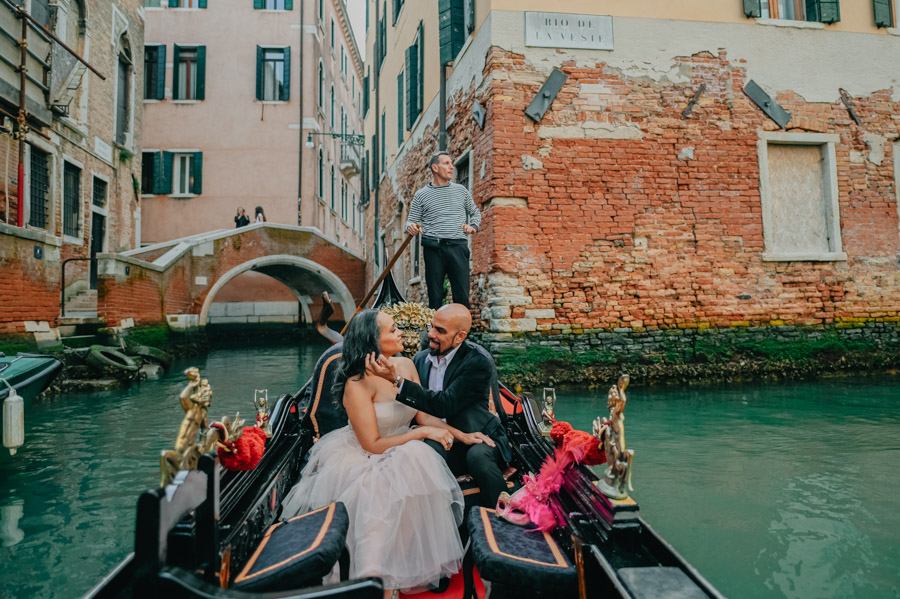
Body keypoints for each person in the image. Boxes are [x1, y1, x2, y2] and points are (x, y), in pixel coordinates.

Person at [281, 309, 492, 596]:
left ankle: (395, 577)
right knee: (377, 498)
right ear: (373, 341)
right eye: (393, 330)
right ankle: (374, 584)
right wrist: (421, 434)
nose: (401, 333)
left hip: (403, 448)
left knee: (415, 469)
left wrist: (462, 435)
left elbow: (423, 414)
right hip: (367, 454)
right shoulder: (356, 384)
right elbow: (373, 445)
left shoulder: (405, 365)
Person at [367, 303, 511, 509]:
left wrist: (397, 381)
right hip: (439, 434)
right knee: (424, 453)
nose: (431, 334)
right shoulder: (419, 359)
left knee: (478, 458)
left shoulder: (477, 362)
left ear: (460, 337)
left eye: (440, 331)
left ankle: (506, 513)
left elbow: (445, 404)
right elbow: (420, 410)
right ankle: (434, 516)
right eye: (432, 326)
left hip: (478, 435)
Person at [406, 152, 481, 309]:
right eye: (446, 163)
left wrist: (473, 226)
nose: (451, 166)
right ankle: (437, 332)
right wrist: (411, 227)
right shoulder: (421, 195)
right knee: (435, 297)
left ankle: (462, 333)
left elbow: (475, 212)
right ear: (435, 167)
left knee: (461, 296)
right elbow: (410, 221)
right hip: (433, 249)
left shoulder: (461, 191)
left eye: (451, 163)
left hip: (458, 247)